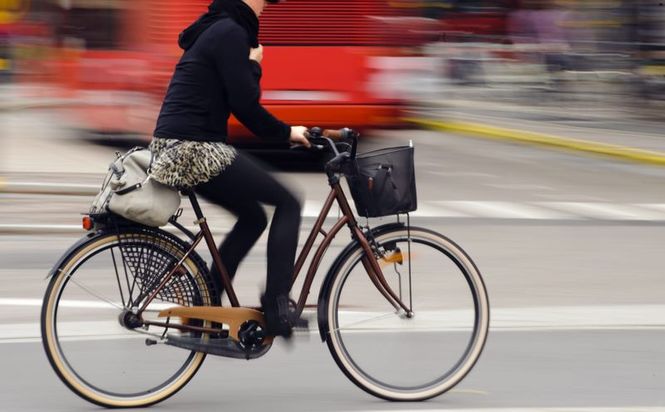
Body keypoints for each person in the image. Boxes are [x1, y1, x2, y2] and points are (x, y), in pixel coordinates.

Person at [148, 0, 310, 338]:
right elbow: (245, 105)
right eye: (264, 3)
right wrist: (287, 132)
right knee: (289, 201)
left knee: (254, 217)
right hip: (192, 150)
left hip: (177, 147)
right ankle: (278, 306)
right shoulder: (231, 33)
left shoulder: (214, 27)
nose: (265, 9)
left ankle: (201, 308)